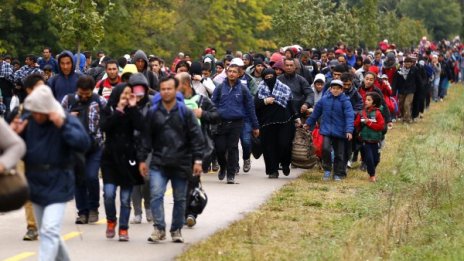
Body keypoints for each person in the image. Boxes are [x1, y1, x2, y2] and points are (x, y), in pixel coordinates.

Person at [11, 85, 90, 261]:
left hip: (59, 183)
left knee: (49, 231)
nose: (36, 115)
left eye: (40, 112)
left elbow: (83, 143)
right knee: (49, 232)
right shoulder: (28, 121)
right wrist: (15, 132)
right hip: (35, 184)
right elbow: (14, 149)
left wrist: (62, 125)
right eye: (34, 111)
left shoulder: (65, 120)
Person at [137, 76, 204, 243]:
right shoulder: (152, 113)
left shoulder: (185, 113)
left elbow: (196, 137)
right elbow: (145, 139)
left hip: (181, 162)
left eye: (169, 88)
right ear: (160, 91)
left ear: (176, 90)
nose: (166, 92)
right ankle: (159, 228)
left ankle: (176, 229)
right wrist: (142, 160)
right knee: (156, 194)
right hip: (158, 162)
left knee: (180, 198)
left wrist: (198, 161)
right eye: (163, 89)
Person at [99, 83, 145, 241]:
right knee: (109, 194)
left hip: (128, 159)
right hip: (110, 158)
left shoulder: (133, 111)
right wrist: (118, 110)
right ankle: (111, 220)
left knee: (126, 198)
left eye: (129, 94)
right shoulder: (109, 109)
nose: (126, 97)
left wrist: (132, 108)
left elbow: (141, 126)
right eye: (123, 94)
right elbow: (105, 127)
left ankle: (123, 228)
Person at [61, 75, 107, 224]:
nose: (84, 96)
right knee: (79, 180)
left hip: (95, 145)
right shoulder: (68, 100)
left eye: (87, 94)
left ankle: (94, 208)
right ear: (77, 90)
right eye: (81, 93)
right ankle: (82, 212)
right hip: (75, 147)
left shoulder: (100, 101)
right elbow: (57, 119)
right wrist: (68, 116)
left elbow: (110, 118)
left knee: (92, 177)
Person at [176, 72, 219, 227]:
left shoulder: (202, 100)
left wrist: (203, 114)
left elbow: (216, 115)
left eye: (177, 84)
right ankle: (183, 212)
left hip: (197, 148)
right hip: (178, 148)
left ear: (186, 84)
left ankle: (190, 213)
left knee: (192, 180)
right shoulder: (173, 101)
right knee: (180, 182)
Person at [211, 63, 260, 184]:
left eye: (234, 72)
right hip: (221, 123)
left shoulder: (243, 89)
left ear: (239, 74)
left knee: (233, 148)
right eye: (230, 71)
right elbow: (213, 104)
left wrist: (255, 126)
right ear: (227, 73)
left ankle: (231, 174)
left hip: (236, 123)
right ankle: (223, 167)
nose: (232, 73)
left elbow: (250, 108)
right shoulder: (220, 88)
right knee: (220, 149)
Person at [304, 80, 354, 181]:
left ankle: (337, 173)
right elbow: (316, 113)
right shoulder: (324, 99)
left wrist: (349, 130)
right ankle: (327, 169)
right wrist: (308, 123)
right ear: (330, 89)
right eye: (333, 88)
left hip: (340, 131)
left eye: (338, 89)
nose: (335, 90)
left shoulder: (345, 101)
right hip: (326, 129)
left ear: (341, 90)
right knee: (325, 149)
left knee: (339, 153)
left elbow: (349, 116)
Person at [255, 68, 296, 178]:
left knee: (285, 144)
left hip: (284, 121)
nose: (269, 79)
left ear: (275, 76)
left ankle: (285, 163)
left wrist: (296, 118)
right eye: (266, 77)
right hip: (267, 123)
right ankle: (272, 170)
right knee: (269, 148)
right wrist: (265, 101)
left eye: (271, 76)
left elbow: (291, 104)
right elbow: (255, 105)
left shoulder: (285, 88)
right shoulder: (260, 89)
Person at [354, 92, 385, 182]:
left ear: (374, 103)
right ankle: (372, 175)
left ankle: (371, 170)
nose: (366, 101)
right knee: (369, 158)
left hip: (375, 141)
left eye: (369, 100)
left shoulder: (378, 113)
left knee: (376, 159)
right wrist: (358, 121)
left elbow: (380, 126)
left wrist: (369, 122)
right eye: (366, 99)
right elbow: (356, 124)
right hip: (365, 140)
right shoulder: (362, 113)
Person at [392, 56, 421, 123]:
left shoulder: (415, 70)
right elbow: (395, 81)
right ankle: (402, 116)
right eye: (406, 63)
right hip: (401, 90)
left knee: (407, 104)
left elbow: (418, 80)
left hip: (411, 90)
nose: (407, 64)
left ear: (411, 63)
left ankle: (407, 119)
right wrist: (394, 90)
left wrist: (419, 89)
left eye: (409, 63)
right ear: (404, 63)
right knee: (401, 105)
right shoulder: (399, 71)